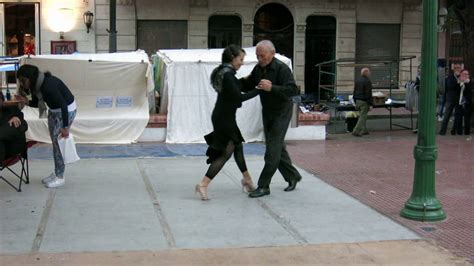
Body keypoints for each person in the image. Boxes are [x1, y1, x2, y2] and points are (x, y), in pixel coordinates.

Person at [195, 45, 259, 200]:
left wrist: (250, 80)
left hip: (223, 116)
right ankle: (203, 184)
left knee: (238, 146)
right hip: (224, 118)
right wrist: (259, 91)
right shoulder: (228, 75)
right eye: (240, 59)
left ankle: (247, 180)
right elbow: (238, 96)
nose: (242, 63)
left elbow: (237, 86)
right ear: (233, 58)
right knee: (226, 152)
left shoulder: (222, 72)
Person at [240, 40, 302, 198]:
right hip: (267, 111)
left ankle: (264, 185)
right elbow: (248, 83)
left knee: (272, 150)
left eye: (262, 55)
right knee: (277, 147)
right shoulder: (258, 68)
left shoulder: (282, 68)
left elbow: (292, 90)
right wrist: (230, 82)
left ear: (272, 54)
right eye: (257, 55)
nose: (260, 58)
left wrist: (272, 88)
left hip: (282, 112)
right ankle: (292, 176)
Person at [15, 64, 77, 188]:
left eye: (23, 80)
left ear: (30, 77)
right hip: (54, 111)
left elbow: (64, 105)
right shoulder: (38, 85)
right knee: (55, 144)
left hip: (65, 111)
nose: (22, 84)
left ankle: (60, 176)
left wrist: (66, 127)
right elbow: (39, 103)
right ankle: (57, 172)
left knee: (58, 145)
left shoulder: (48, 86)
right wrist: (26, 101)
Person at [0, 91, 28, 163]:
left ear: (2, 101)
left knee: (17, 125)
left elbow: (24, 125)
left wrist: (16, 118)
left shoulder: (12, 109)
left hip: (12, 147)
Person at [439, 63, 462, 135]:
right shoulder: (450, 77)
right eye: (457, 68)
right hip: (450, 99)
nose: (458, 69)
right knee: (447, 116)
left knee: (458, 116)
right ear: (454, 70)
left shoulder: (461, 77)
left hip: (458, 99)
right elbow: (450, 86)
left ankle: (454, 131)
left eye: (459, 68)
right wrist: (458, 83)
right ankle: (442, 132)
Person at [351, 67, 373, 137]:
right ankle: (356, 130)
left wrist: (355, 100)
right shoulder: (367, 81)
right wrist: (370, 104)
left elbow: (354, 91)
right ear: (366, 72)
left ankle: (364, 130)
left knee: (361, 115)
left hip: (357, 100)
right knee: (363, 117)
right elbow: (368, 93)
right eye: (369, 72)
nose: (370, 73)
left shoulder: (357, 80)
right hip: (364, 101)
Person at [453, 69, 472, 137]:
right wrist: (460, 83)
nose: (465, 75)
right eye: (464, 74)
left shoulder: (470, 82)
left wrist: (466, 83)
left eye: (466, 74)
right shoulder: (458, 82)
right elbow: (455, 91)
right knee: (459, 119)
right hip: (459, 103)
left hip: (467, 104)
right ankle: (459, 134)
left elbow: (469, 92)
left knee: (467, 120)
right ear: (461, 75)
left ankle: (467, 133)